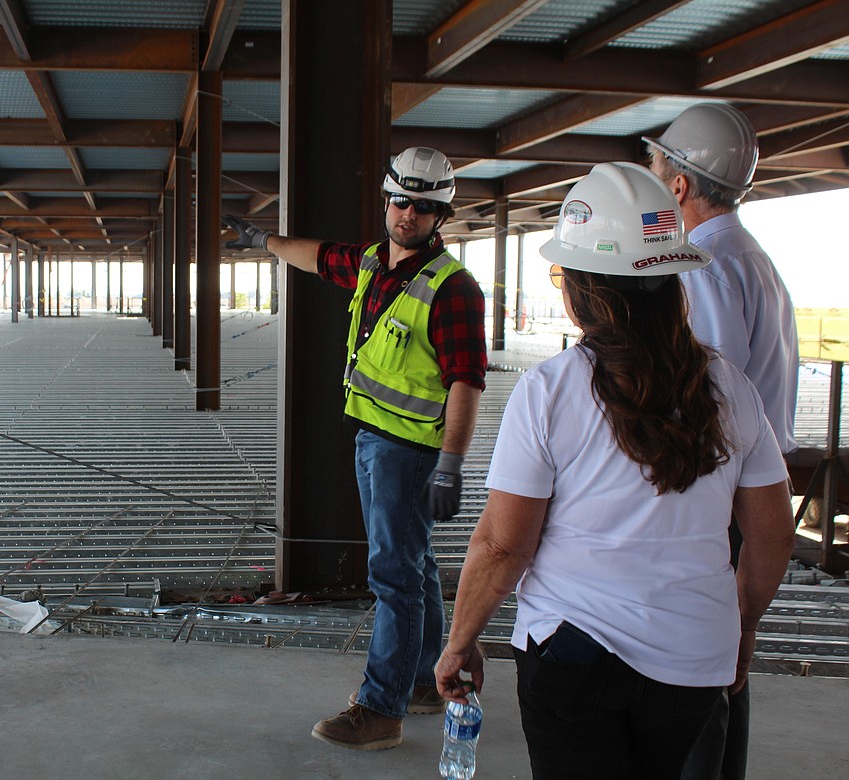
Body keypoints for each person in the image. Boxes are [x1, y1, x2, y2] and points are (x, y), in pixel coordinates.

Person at [433, 162, 796, 780]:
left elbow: (502, 543)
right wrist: (741, 626)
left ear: (582, 288)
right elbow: (772, 534)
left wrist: (460, 640)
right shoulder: (730, 389)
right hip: (694, 658)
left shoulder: (548, 391)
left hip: (573, 656)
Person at [223, 146, 487, 751]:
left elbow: (467, 381)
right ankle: (423, 681)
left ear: (440, 214)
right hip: (375, 439)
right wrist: (265, 240)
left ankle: (381, 708)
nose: (407, 214)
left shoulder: (452, 288)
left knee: (393, 577)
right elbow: (317, 257)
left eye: (422, 207)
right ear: (387, 200)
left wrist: (451, 462)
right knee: (415, 569)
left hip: (409, 452)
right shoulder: (374, 264)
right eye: (400, 200)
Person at [645, 101, 800, 780]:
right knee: (726, 652)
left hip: (719, 499)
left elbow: (711, 390)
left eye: (656, 165)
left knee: (700, 660)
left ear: (679, 185)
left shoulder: (700, 263)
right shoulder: (751, 257)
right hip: (750, 486)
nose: (652, 176)